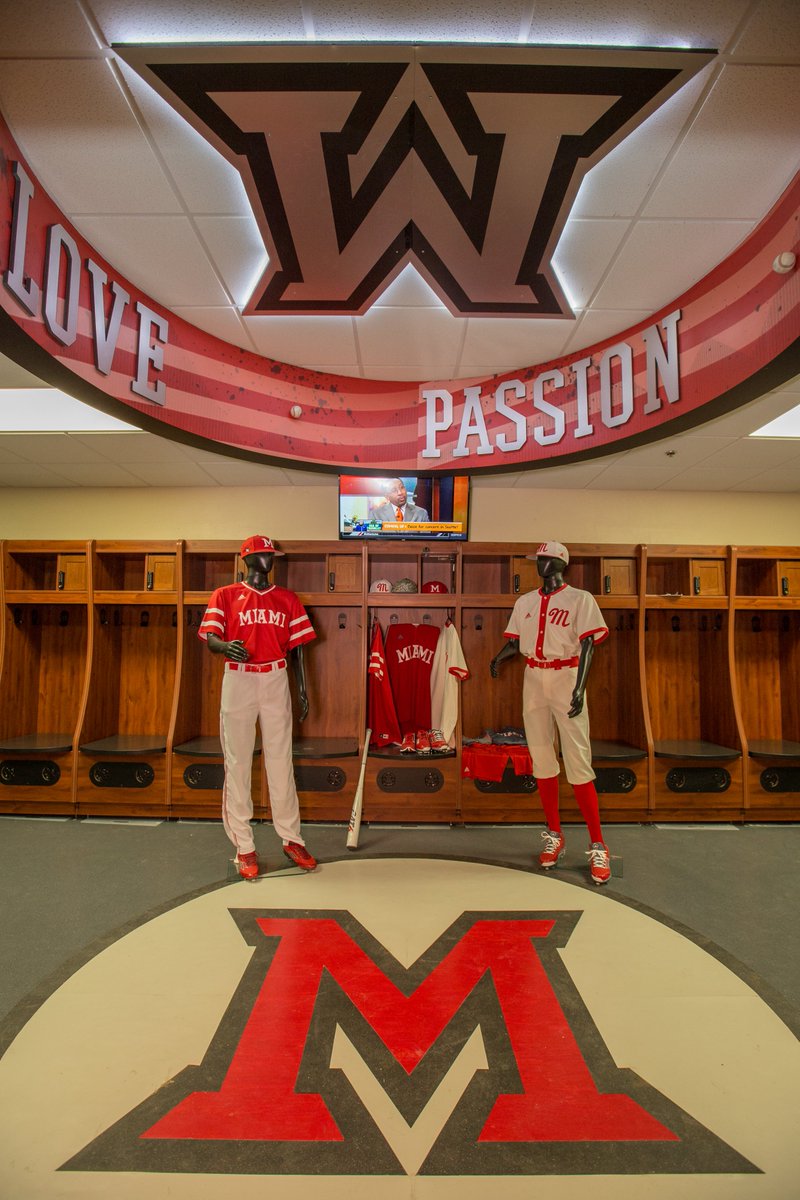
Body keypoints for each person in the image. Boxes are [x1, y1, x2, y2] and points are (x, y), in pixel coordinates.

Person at [489, 540, 612, 885]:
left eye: (543, 560)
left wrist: (579, 686)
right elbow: (516, 641)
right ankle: (555, 834)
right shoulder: (525, 601)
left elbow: (589, 644)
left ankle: (598, 844)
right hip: (533, 675)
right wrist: (499, 657)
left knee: (578, 761)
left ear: (559, 563)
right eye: (537, 560)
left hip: (566, 674)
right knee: (541, 757)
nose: (538, 565)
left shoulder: (580, 599)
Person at [198, 535, 317, 880]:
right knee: (237, 761)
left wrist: (303, 690)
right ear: (248, 559)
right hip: (239, 678)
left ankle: (291, 838)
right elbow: (210, 637)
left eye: (272, 555)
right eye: (264, 555)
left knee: (281, 760)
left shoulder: (287, 598)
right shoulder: (225, 594)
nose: (269, 560)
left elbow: (298, 651)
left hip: (276, 675)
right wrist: (222, 647)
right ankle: (244, 846)